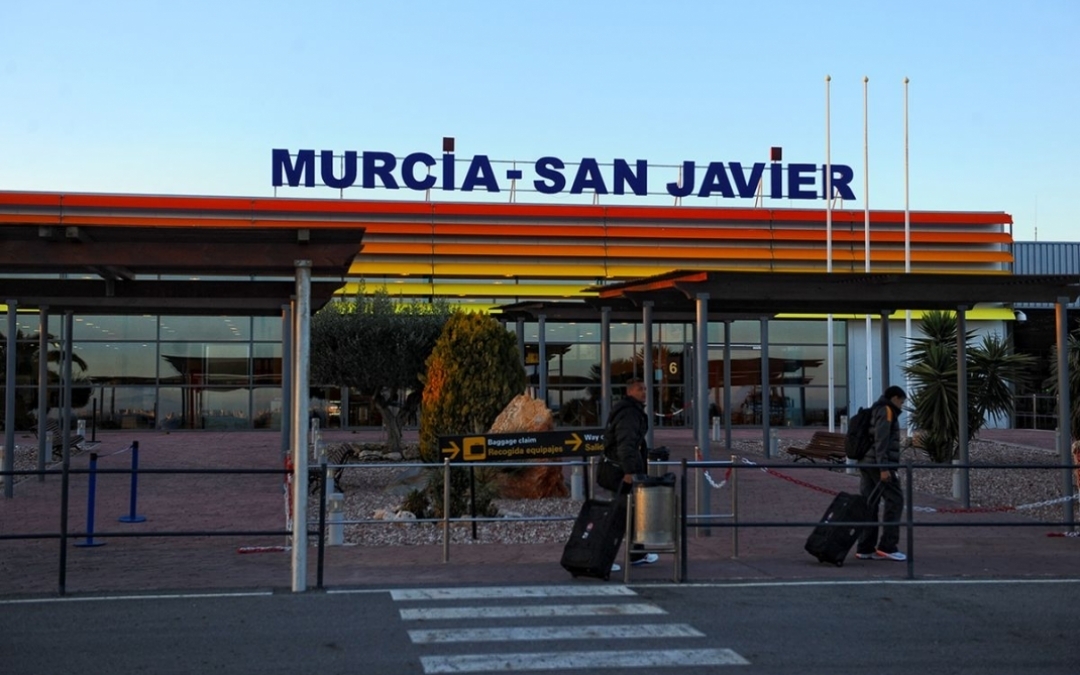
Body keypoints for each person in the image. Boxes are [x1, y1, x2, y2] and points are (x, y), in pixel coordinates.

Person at [604, 377, 659, 568]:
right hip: (623, 471)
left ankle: (637, 553)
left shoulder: (630, 410)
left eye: (645, 388)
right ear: (629, 392)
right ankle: (604, 556)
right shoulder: (629, 413)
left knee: (632, 512)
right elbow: (626, 444)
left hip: (625, 468)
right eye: (639, 389)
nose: (643, 392)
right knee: (620, 514)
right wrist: (629, 471)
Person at [855, 385, 908, 561]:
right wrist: (884, 468)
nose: (902, 405)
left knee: (870, 503)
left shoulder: (876, 409)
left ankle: (865, 547)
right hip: (879, 466)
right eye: (901, 401)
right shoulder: (886, 411)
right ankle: (888, 546)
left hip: (867, 463)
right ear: (894, 398)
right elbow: (881, 441)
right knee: (895, 501)